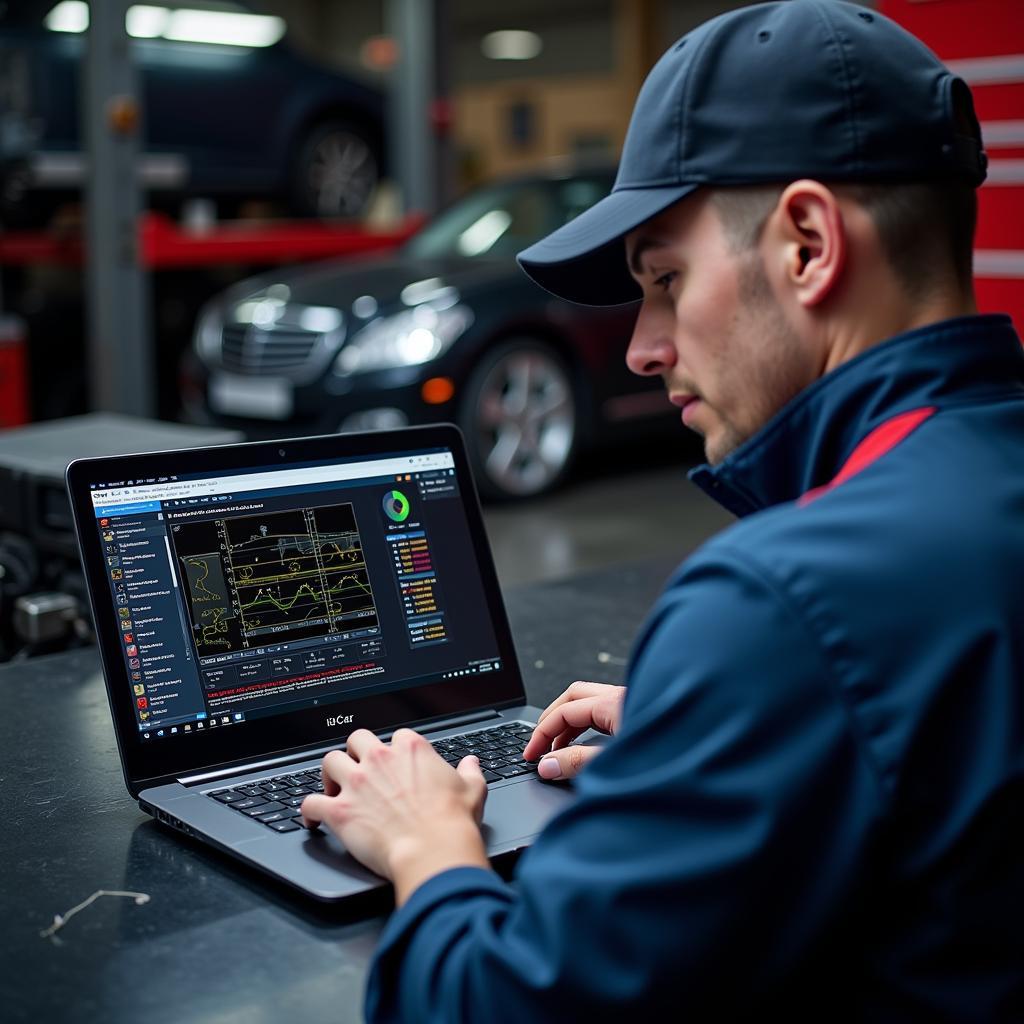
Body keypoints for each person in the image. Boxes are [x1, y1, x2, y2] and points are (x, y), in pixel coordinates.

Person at [300, 2, 1023, 1019]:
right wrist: (738, 732)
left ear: (808, 245)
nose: (641, 346)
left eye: (665, 279)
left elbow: (492, 1005)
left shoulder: (784, 602)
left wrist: (430, 843)